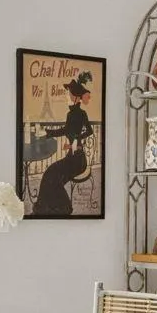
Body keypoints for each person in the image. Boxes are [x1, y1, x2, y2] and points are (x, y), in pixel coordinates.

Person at [32, 72, 96, 216]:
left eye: (68, 94)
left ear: (76, 97)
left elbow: (90, 131)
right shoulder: (72, 114)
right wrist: (46, 132)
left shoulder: (79, 114)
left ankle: (62, 208)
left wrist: (77, 139)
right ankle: (49, 208)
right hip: (72, 157)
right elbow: (65, 130)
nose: (66, 97)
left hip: (78, 160)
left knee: (52, 175)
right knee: (50, 173)